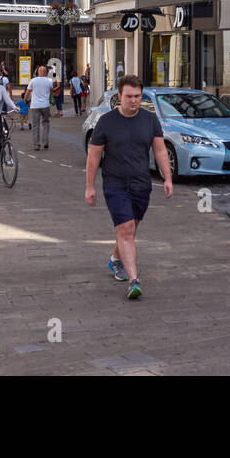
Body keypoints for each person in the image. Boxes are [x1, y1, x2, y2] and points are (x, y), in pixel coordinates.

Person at [85, 75, 173, 300]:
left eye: (137, 97)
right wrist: (89, 186)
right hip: (115, 184)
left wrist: (167, 178)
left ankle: (115, 260)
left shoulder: (150, 119)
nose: (134, 101)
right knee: (125, 230)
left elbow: (160, 150)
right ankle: (134, 280)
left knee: (130, 229)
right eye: (129, 97)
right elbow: (94, 156)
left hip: (142, 184)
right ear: (119, 97)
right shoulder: (106, 122)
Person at [26, 65, 55, 151]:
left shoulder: (33, 81)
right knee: (46, 123)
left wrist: (25, 99)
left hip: (35, 105)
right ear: (46, 72)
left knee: (35, 125)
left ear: (38, 72)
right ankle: (45, 142)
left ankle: (36, 145)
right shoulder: (49, 81)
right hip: (45, 105)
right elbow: (51, 91)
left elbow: (28, 92)